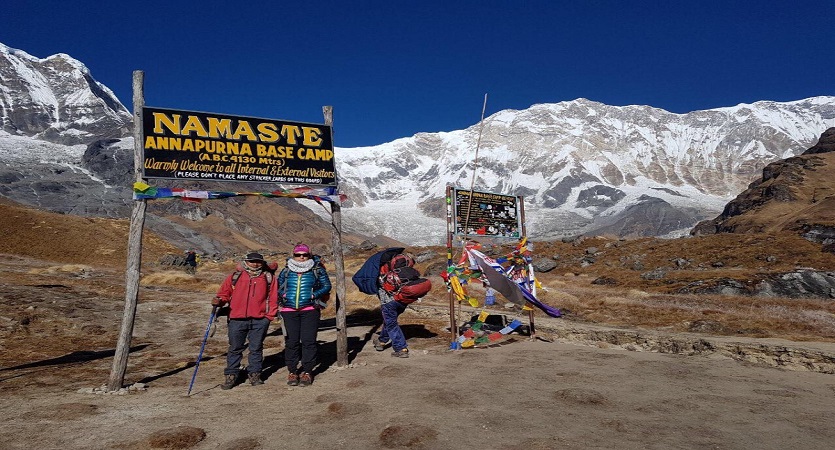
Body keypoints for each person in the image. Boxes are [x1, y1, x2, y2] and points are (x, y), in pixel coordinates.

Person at [212, 252, 278, 390]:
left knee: (256, 348)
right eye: (252, 261)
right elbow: (224, 293)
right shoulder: (235, 277)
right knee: (235, 348)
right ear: (246, 262)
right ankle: (231, 375)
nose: (255, 264)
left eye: (258, 262)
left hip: (260, 319)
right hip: (236, 318)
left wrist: (269, 317)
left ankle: (255, 374)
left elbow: (273, 298)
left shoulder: (268, 277)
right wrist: (219, 301)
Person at [277, 244, 331, 386]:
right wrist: (284, 295)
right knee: (291, 342)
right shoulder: (287, 270)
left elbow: (327, 286)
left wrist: (313, 295)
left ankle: (307, 371)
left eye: (304, 254)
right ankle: (292, 371)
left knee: (308, 341)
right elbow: (278, 286)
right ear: (293, 255)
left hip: (310, 310)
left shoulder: (317, 269)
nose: (301, 257)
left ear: (309, 255)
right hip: (289, 311)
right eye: (298, 254)